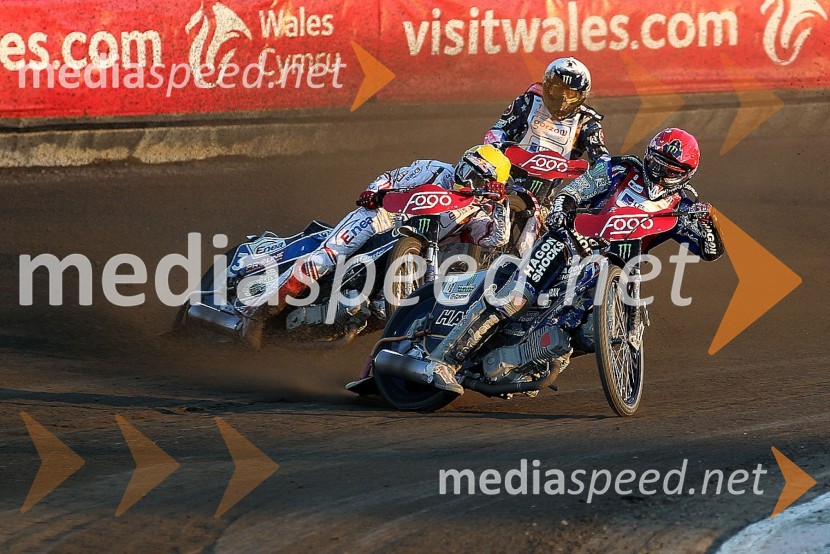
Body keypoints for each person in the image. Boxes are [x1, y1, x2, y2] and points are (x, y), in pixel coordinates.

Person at [425, 128, 724, 395]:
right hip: (568, 242)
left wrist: (709, 223)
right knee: (514, 299)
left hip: (615, 271)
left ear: (686, 174)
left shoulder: (683, 207)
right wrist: (561, 210)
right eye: (656, 164)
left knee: (590, 334)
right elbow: (575, 191)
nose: (658, 174)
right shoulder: (619, 169)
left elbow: (710, 250)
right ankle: (443, 360)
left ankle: (531, 360)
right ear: (647, 157)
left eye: (669, 170)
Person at [240, 145, 514, 348]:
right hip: (379, 218)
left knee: (385, 311)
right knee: (326, 258)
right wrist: (373, 192)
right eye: (466, 169)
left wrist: (501, 205)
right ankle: (261, 314)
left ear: (490, 187)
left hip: (420, 251)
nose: (467, 179)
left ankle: (348, 330)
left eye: (478, 178)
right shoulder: (435, 169)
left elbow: (494, 239)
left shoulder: (478, 211)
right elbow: (392, 178)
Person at [485, 57, 609, 203]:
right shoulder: (528, 102)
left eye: (571, 94)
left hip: (546, 196)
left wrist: (597, 172)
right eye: (558, 90)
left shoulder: (587, 121)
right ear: (547, 86)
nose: (563, 100)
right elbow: (498, 131)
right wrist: (496, 153)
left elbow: (601, 157)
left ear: (582, 96)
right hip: (505, 179)